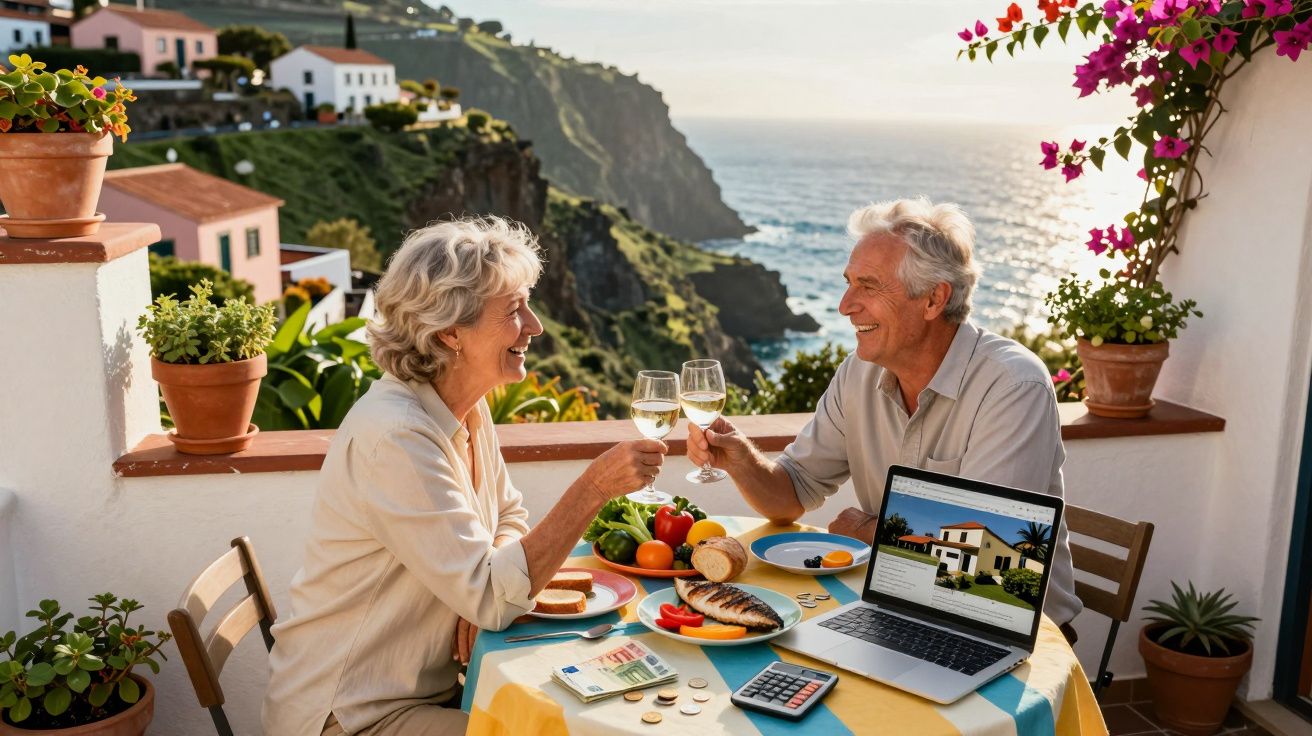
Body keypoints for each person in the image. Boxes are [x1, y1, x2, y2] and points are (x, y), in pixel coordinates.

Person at [263, 217, 668, 735]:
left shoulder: (464, 407)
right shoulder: (398, 437)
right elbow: (494, 597)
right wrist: (594, 488)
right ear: (450, 332)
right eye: (514, 310)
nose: (535, 326)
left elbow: (509, 515)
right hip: (351, 714)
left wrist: (480, 585)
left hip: (420, 693)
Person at [687, 197, 1082, 634]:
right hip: (896, 610)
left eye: (869, 287)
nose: (845, 305)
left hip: (1009, 631)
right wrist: (742, 459)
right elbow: (792, 493)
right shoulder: (859, 373)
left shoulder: (1012, 386)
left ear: (933, 299)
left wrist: (867, 530)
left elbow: (982, 562)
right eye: (848, 283)